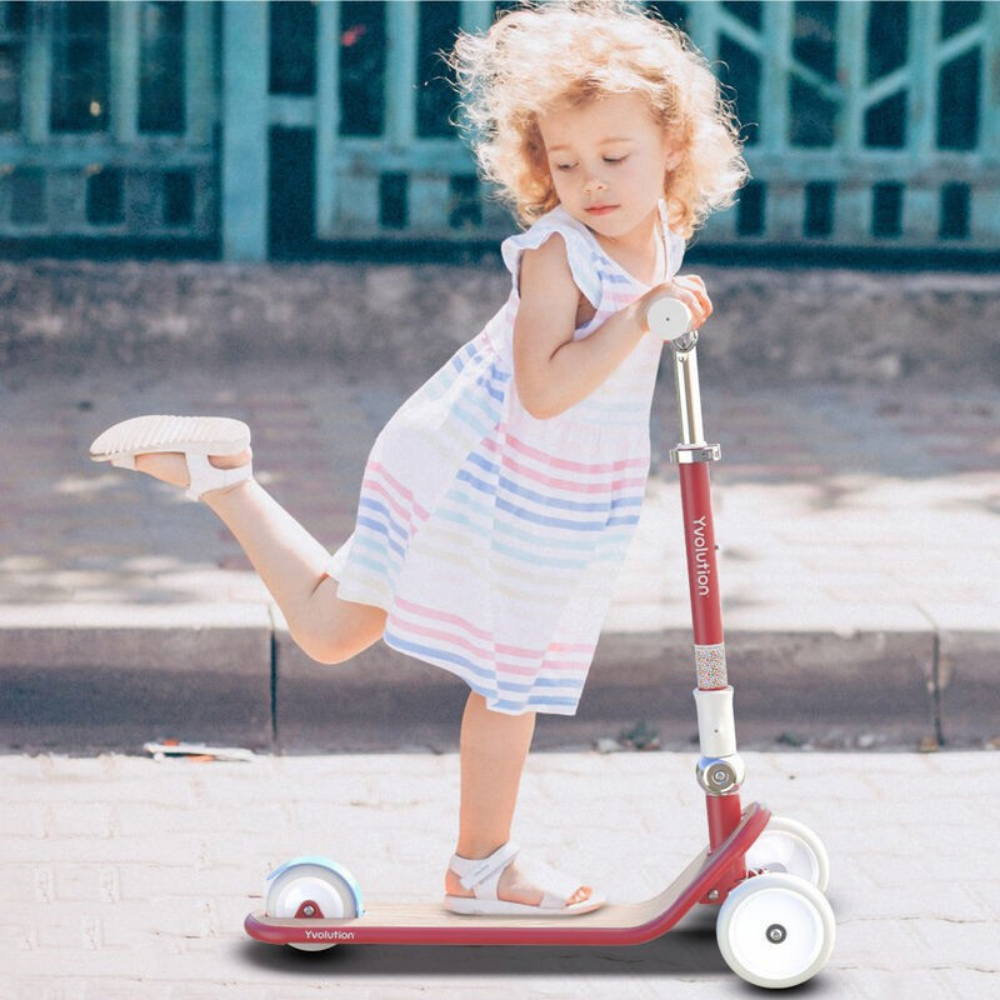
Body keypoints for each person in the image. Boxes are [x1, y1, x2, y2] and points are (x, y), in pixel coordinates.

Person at [89, 0, 746, 918]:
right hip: (483, 472)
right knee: (509, 678)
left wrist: (667, 302)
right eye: (564, 163)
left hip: (555, 485)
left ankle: (225, 478)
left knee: (330, 632)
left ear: (672, 146)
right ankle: (481, 869)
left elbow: (633, 331)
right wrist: (641, 316)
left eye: (613, 157)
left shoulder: (657, 228)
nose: (590, 183)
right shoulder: (559, 253)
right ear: (536, 161)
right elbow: (546, 391)